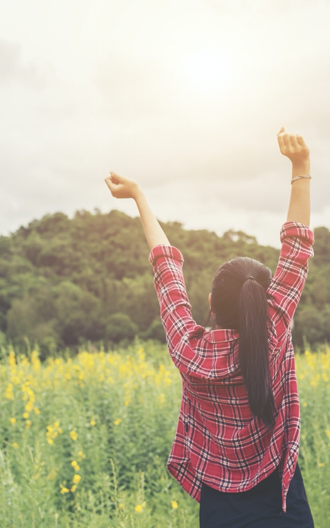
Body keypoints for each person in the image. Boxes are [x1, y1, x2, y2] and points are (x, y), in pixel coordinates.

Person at [104, 127, 315, 527]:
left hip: (221, 507)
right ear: (263, 300)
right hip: (281, 500)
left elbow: (166, 269)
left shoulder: (189, 348)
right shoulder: (274, 330)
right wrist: (300, 166)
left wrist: (139, 197)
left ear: (212, 304)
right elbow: (297, 250)